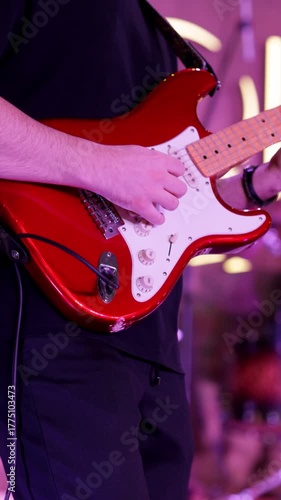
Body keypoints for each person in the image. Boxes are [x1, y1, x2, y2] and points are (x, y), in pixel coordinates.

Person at [0, 1, 280, 499]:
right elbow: (110, 176)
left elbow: (152, 219)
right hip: (52, 336)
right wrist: (101, 165)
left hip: (149, 352)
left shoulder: (150, 31)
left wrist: (257, 188)